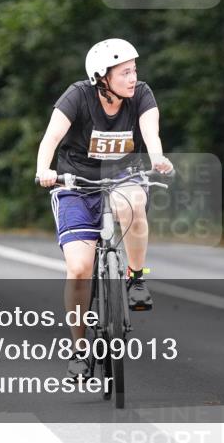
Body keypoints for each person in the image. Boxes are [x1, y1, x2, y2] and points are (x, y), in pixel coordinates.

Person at [35, 38, 173, 380]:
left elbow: (150, 133)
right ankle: (79, 349)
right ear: (102, 77)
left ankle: (136, 279)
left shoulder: (141, 94)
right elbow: (50, 139)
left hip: (122, 178)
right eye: (124, 72)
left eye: (134, 70)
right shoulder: (77, 96)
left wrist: (157, 158)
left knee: (135, 202)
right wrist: (44, 169)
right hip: (75, 184)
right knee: (80, 268)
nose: (133, 77)